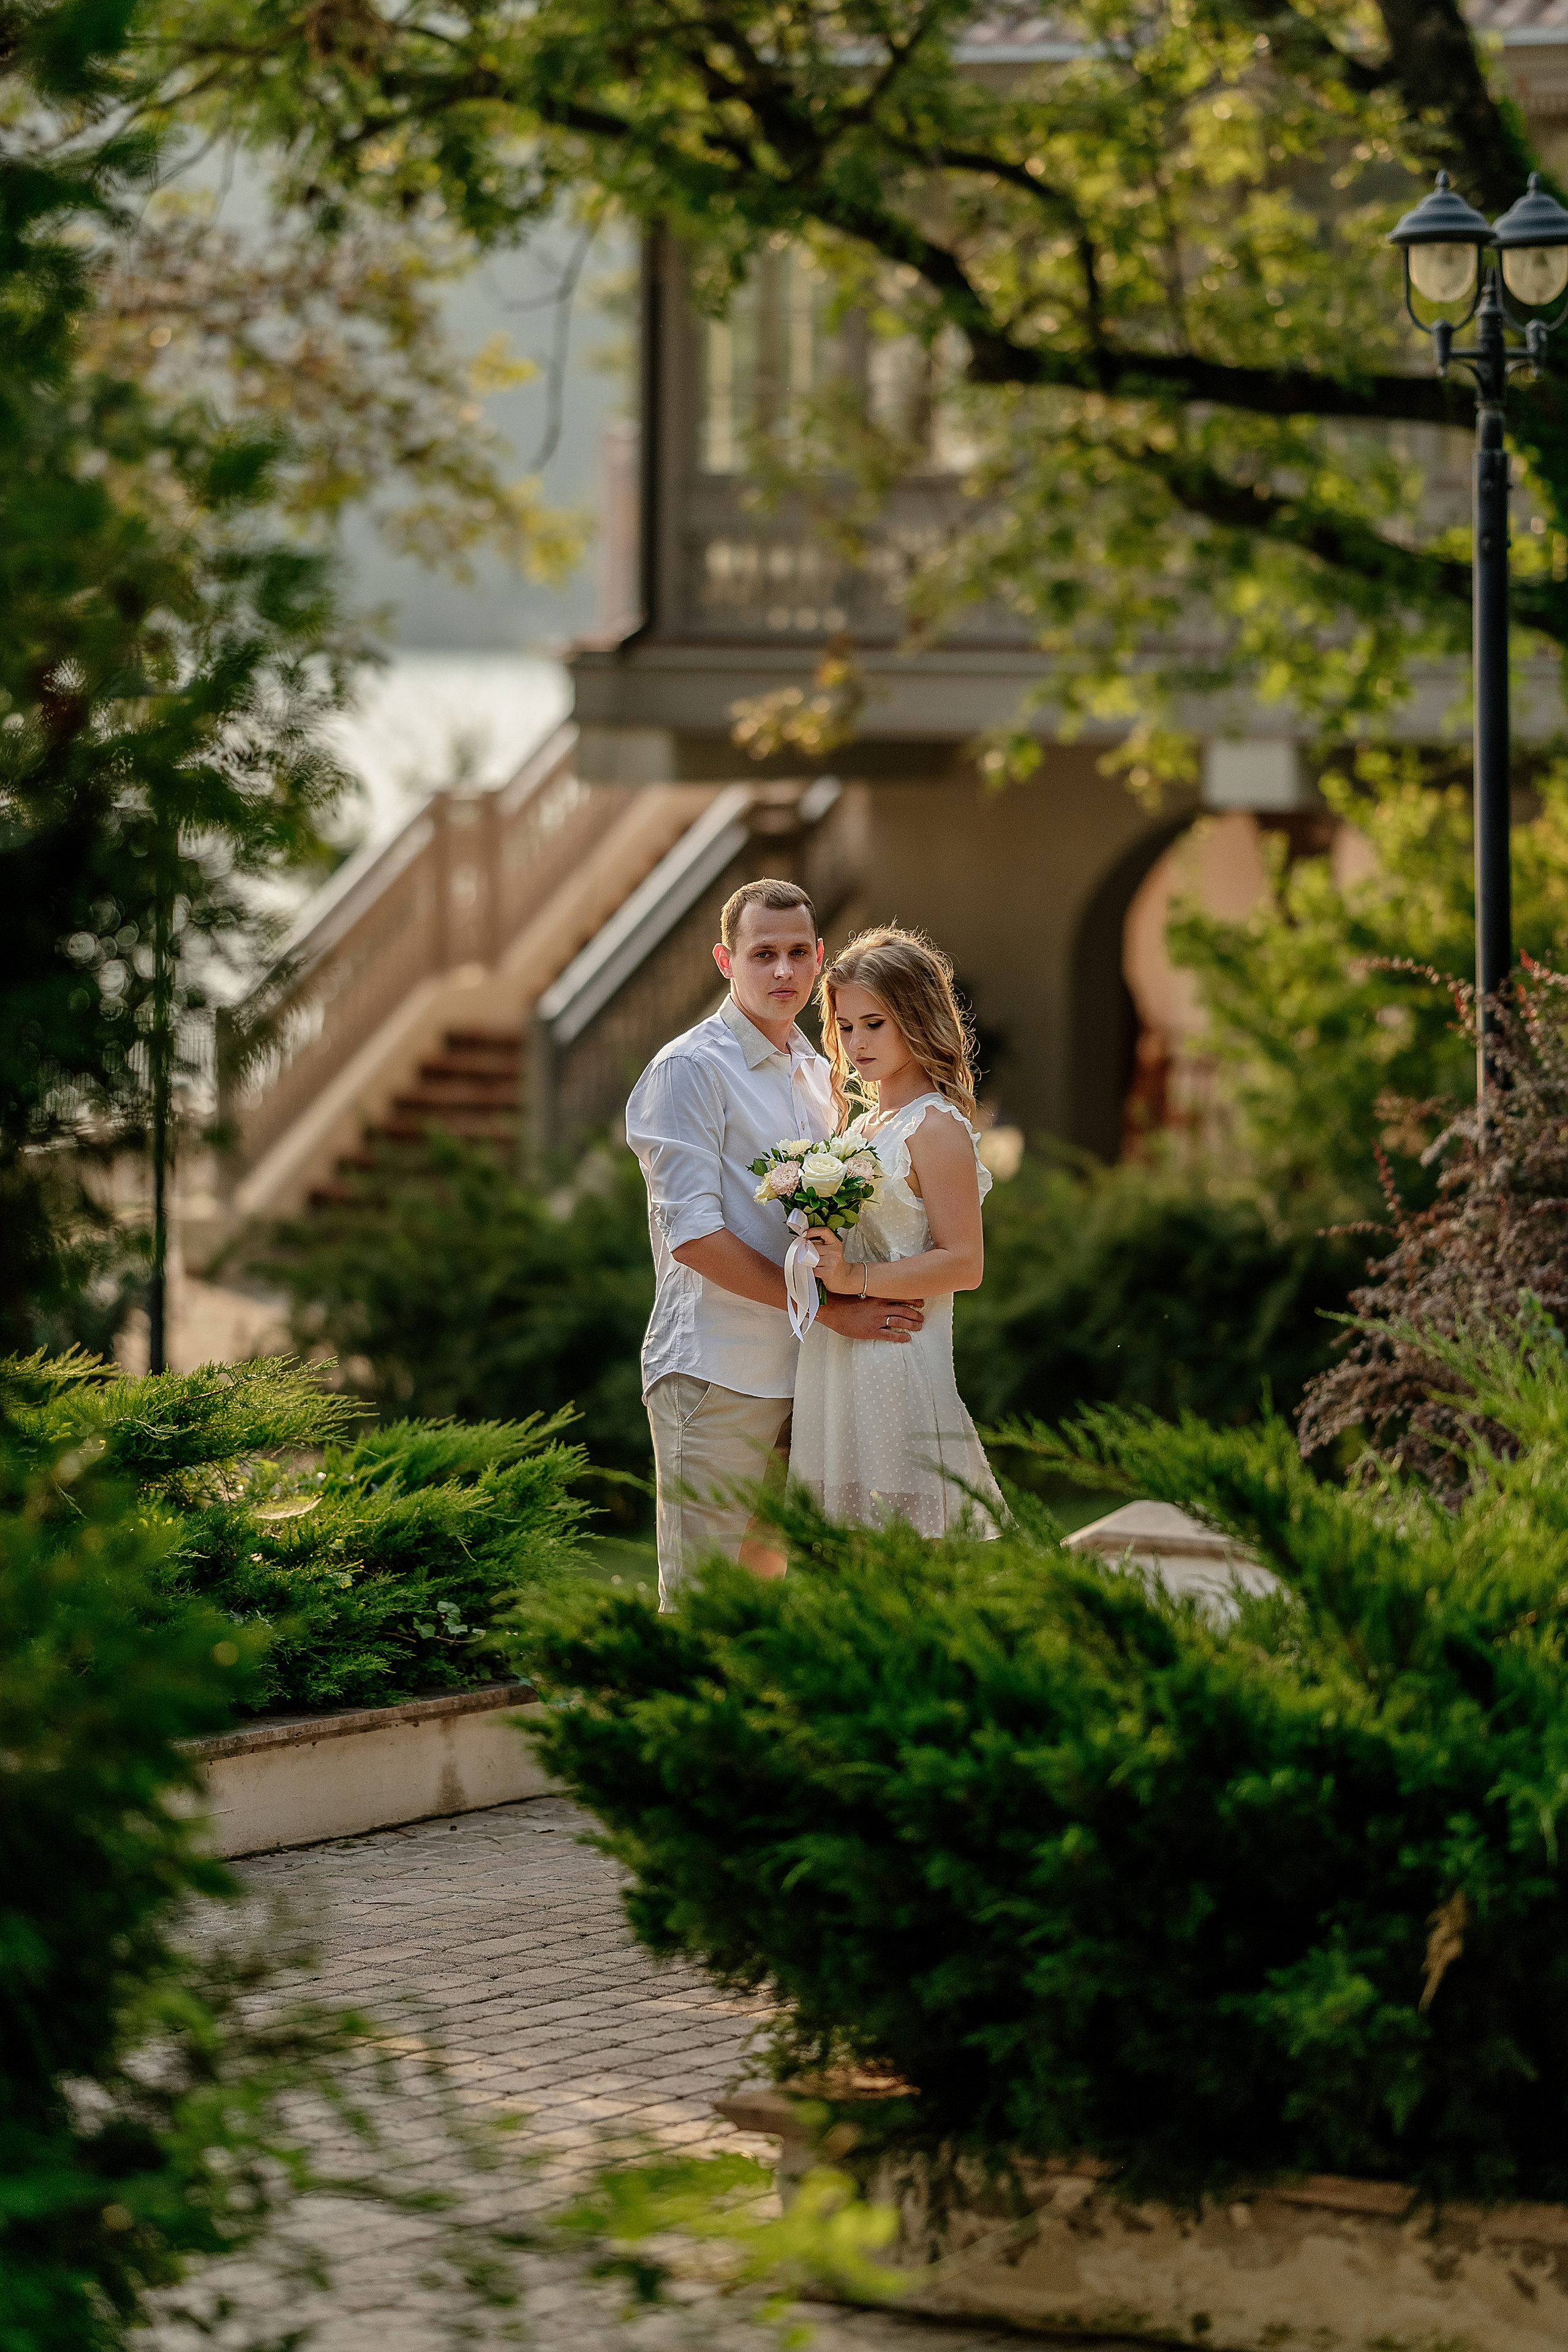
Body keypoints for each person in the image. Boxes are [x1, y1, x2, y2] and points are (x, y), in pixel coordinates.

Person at [625, 880, 926, 1611]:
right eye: (764, 954)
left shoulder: (821, 1070)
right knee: (702, 1606)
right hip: (717, 1373)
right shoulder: (689, 1070)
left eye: (798, 953)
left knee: (760, 1605)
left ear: (820, 958)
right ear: (726, 962)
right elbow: (693, 1237)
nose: (783, 972)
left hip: (802, 1377)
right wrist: (833, 1311)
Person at [790, 926, 1004, 1537]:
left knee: (903, 1559)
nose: (856, 1042)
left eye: (874, 1023)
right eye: (846, 1026)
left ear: (914, 1016)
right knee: (841, 1564)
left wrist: (853, 1277)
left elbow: (964, 1263)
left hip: (896, 1362)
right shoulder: (862, 1128)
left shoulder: (933, 1126)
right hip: (837, 1363)